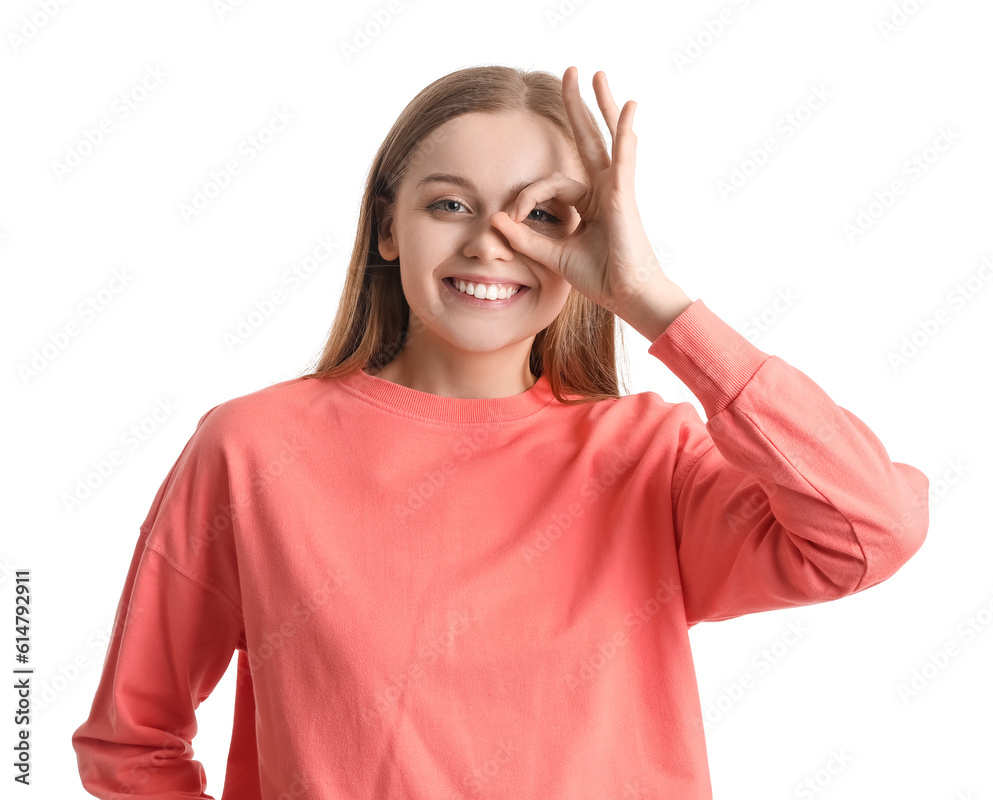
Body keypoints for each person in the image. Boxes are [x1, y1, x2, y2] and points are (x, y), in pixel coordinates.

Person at [71, 64, 930, 799]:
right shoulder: (251, 449)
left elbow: (870, 529)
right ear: (384, 227)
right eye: (451, 203)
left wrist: (653, 302)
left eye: (543, 217)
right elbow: (132, 741)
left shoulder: (645, 459)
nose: (493, 243)